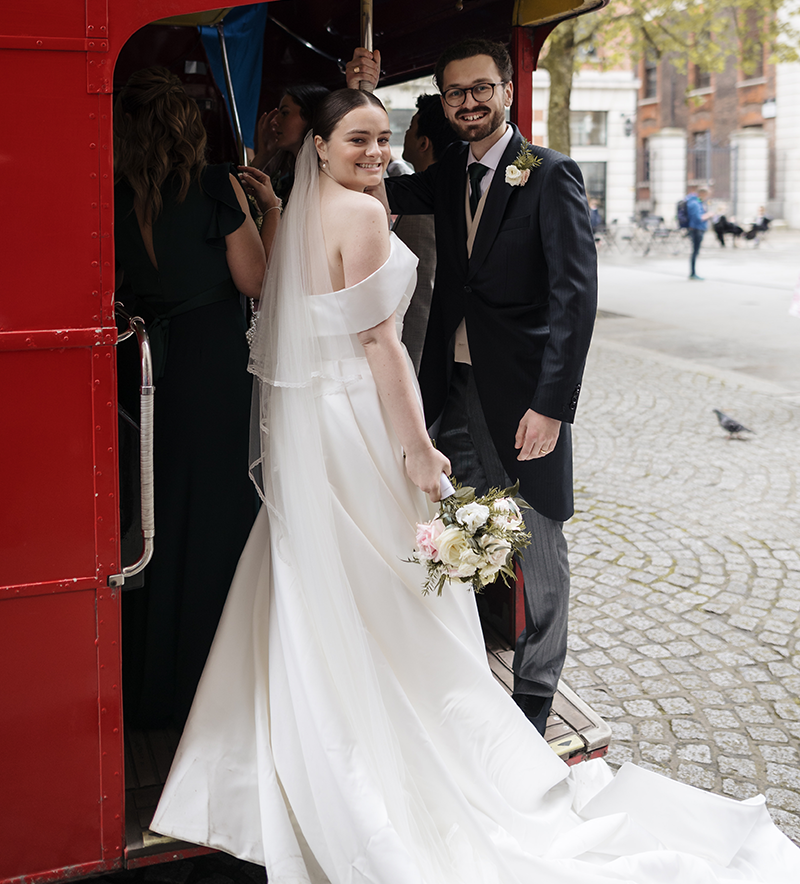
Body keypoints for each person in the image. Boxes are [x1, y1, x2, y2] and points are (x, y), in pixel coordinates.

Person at [151, 87, 799, 882]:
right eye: (357, 138)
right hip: (361, 418)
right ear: (317, 145)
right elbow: (383, 347)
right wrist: (420, 450)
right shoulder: (356, 217)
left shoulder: (303, 207)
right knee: (394, 584)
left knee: (321, 574)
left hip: (314, 423)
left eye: (385, 137)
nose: (376, 151)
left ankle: (296, 741)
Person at [347, 39, 596, 736]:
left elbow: (575, 303)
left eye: (482, 88)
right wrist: (366, 96)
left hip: (524, 398)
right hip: (449, 388)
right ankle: (468, 657)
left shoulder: (550, 175)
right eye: (456, 93)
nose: (470, 102)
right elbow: (373, 183)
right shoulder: (450, 166)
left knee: (539, 540)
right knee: (463, 526)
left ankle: (537, 688)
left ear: (508, 91)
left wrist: (551, 406)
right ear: (444, 101)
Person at [114, 67, 279, 729]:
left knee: (162, 514)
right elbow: (257, 279)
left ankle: (155, 682)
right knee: (218, 515)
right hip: (213, 363)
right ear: (188, 129)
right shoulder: (216, 185)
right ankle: (212, 680)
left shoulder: (119, 194)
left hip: (149, 363)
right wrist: (270, 207)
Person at [394, 94, 459, 371]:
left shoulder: (422, 210)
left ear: (423, 143)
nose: (405, 135)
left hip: (417, 355)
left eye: (410, 128)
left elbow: (420, 297)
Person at [250, 83, 330, 201]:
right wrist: (263, 155)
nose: (274, 121)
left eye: (284, 113)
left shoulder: (327, 183)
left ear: (310, 116)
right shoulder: (286, 182)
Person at [686, 186, 709, 279]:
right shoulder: (695, 203)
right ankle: (692, 273)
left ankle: (693, 273)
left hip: (697, 229)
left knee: (695, 251)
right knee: (695, 251)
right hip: (696, 229)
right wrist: (708, 215)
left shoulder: (697, 202)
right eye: (706, 195)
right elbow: (698, 218)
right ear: (702, 194)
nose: (707, 197)